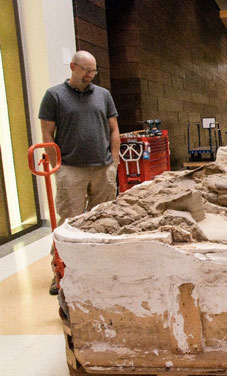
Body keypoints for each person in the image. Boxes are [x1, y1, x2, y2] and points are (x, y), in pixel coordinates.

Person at [39, 50, 120, 294]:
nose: (90, 75)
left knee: (104, 220)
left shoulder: (103, 95)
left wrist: (114, 163)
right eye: (86, 70)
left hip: (102, 168)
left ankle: (100, 269)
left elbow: (114, 129)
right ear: (73, 67)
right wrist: (59, 167)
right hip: (70, 170)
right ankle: (61, 272)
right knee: (68, 222)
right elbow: (46, 135)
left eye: (94, 70)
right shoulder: (54, 96)